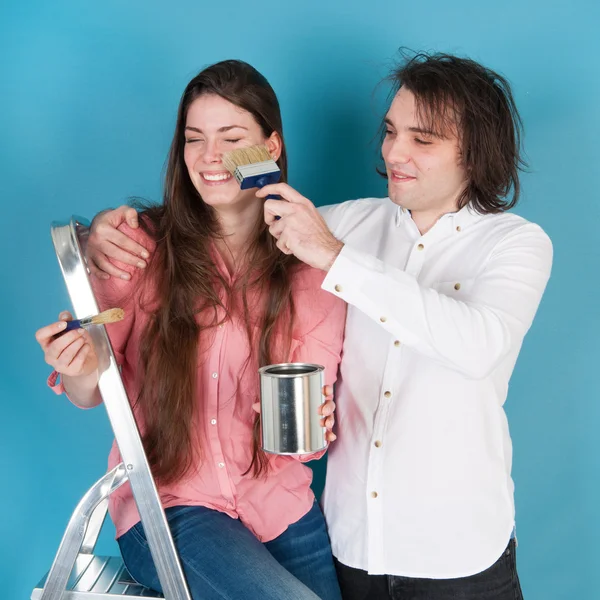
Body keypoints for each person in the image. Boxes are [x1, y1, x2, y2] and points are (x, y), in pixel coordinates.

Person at [83, 52, 553, 600]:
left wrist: (334, 256)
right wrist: (106, 235)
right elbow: (237, 210)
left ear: (475, 151)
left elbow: (478, 345)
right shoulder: (347, 222)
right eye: (390, 131)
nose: (393, 152)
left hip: (457, 553)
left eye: (421, 139)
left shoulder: (515, 244)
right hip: (356, 546)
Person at [35, 59, 346, 600]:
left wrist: (314, 421)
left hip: (280, 507)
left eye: (232, 138)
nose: (211, 158)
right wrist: (79, 366)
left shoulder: (312, 267)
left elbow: (305, 436)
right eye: (194, 139)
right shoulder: (139, 247)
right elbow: (90, 392)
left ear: (271, 148)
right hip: (170, 509)